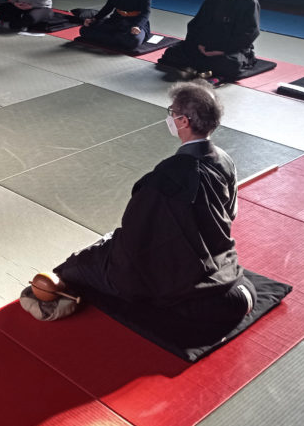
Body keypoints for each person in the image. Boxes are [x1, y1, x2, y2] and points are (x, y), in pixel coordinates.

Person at [36, 80, 254, 344]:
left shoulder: (166, 177)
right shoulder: (224, 160)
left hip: (199, 298)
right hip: (231, 277)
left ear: (183, 121)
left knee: (83, 266)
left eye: (172, 112)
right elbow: (229, 216)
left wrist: (94, 258)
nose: (170, 117)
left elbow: (135, 242)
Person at [158, 0, 260, 82]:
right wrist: (200, 43)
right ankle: (206, 67)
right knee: (172, 52)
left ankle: (200, 66)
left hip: (229, 50)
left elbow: (250, 33)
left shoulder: (249, 1)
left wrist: (221, 50)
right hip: (206, 44)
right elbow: (197, 23)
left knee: (232, 65)